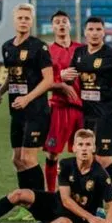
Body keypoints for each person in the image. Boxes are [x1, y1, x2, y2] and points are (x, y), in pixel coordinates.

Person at [0, 129, 112, 223]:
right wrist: (93, 219)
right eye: (80, 144)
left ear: (94, 148)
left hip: (77, 218)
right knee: (19, 194)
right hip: (56, 204)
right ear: (74, 147)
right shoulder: (66, 164)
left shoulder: (100, 174)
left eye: (88, 145)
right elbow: (65, 200)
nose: (84, 148)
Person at [63, 17, 112, 219]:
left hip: (108, 115)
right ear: (85, 32)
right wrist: (62, 76)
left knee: (103, 160)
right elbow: (69, 77)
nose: (94, 33)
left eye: (98, 29)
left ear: (103, 32)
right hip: (87, 115)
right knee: (91, 159)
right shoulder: (79, 54)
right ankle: (97, 205)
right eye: (91, 29)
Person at [0, 3, 53, 222]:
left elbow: (49, 80)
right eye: (20, 17)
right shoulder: (8, 46)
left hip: (36, 111)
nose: (24, 21)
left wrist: (27, 98)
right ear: (14, 20)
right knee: (17, 159)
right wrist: (0, 92)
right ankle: (27, 205)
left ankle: (42, 206)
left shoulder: (39, 47)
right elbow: (12, 75)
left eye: (27, 18)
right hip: (16, 111)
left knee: (28, 158)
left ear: (32, 20)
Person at [43, 11, 84, 193]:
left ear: (70, 25)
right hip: (59, 107)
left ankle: (84, 193)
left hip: (83, 108)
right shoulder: (47, 52)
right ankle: (51, 194)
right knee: (52, 154)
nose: (61, 24)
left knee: (85, 152)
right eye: (57, 22)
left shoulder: (82, 49)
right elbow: (41, 81)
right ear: (52, 27)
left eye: (64, 21)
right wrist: (60, 77)